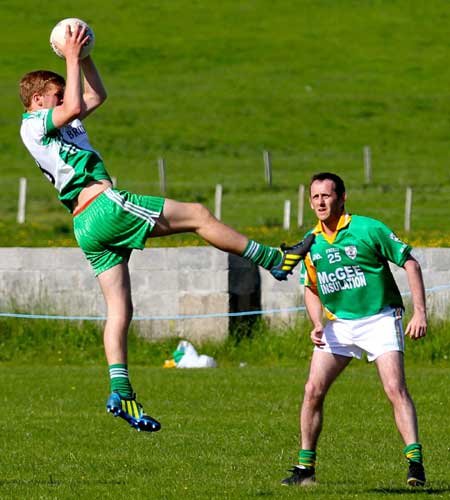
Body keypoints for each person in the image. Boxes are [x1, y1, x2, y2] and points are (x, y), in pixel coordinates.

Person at [19, 23, 313, 432]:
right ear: (37, 100)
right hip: (103, 206)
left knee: (120, 309)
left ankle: (121, 392)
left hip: (86, 225)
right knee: (197, 214)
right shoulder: (33, 124)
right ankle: (275, 260)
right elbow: (70, 107)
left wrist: (84, 56)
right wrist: (68, 55)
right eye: (55, 94)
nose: (64, 98)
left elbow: (93, 96)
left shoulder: (61, 121)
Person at [281, 172, 427, 487]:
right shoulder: (312, 241)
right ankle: (306, 470)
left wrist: (420, 314)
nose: (320, 202)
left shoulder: (367, 228)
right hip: (339, 324)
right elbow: (311, 287)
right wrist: (317, 322)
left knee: (394, 389)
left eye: (327, 195)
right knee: (312, 391)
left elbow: (411, 264)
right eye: (315, 197)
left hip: (379, 318)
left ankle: (415, 465)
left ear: (342, 197)